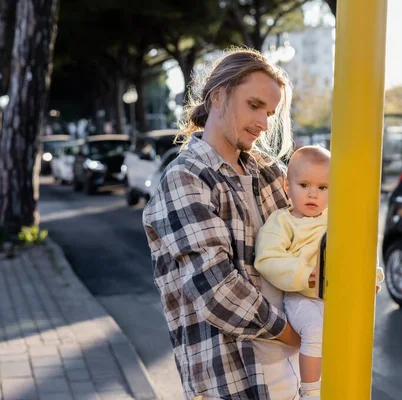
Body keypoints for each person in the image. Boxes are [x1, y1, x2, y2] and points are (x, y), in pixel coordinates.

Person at [142, 48, 302, 400]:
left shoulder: (269, 172)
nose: (263, 123)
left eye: (270, 113)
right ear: (218, 95)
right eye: (254, 105)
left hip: (296, 378)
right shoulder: (185, 178)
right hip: (233, 382)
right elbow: (215, 289)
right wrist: (295, 334)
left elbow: (308, 238)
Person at [254, 146, 385, 400]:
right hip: (301, 297)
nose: (313, 194)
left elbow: (361, 248)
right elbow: (268, 258)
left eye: (323, 188)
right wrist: (304, 275)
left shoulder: (337, 220)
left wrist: (371, 278)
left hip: (336, 297)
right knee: (314, 330)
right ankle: (311, 392)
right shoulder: (282, 221)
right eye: (304, 185)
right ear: (286, 185)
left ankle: (336, 385)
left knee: (346, 339)